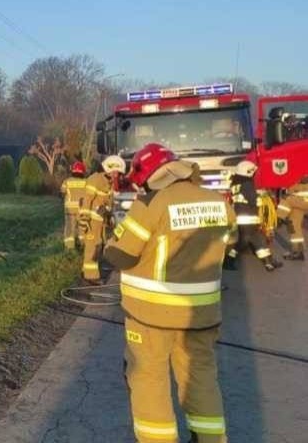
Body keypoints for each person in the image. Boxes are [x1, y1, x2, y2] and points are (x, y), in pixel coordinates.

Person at [104, 143, 234, 443]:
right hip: (202, 315)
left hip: (151, 317)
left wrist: (114, 238)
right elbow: (231, 239)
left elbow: (121, 255)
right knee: (200, 378)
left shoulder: (152, 203)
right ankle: (211, 438)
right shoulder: (216, 201)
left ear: (148, 176)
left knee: (148, 379)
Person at [225, 161, 283, 271]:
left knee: (257, 239)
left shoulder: (236, 184)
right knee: (243, 241)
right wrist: (264, 197)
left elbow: (244, 196)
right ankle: (228, 261)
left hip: (242, 216)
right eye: (253, 172)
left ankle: (269, 262)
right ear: (249, 172)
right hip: (248, 218)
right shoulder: (247, 184)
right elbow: (253, 200)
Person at [79, 155, 125, 282]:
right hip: (92, 221)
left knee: (98, 246)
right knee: (92, 247)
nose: (117, 175)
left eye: (119, 173)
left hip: (101, 221)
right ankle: (90, 276)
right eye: (116, 172)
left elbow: (108, 203)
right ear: (109, 168)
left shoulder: (108, 182)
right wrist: (84, 219)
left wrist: (109, 217)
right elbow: (87, 200)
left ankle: (90, 270)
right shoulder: (95, 179)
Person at [277, 174, 308, 261]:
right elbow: (293, 191)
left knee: (287, 199)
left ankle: (279, 218)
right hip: (297, 204)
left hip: (303, 202)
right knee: (293, 225)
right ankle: (298, 251)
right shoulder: (295, 179)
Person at [60, 161, 87, 251]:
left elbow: (62, 192)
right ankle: (83, 245)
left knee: (69, 228)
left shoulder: (67, 181)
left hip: (70, 209)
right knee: (82, 227)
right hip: (82, 208)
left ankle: (69, 248)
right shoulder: (86, 182)